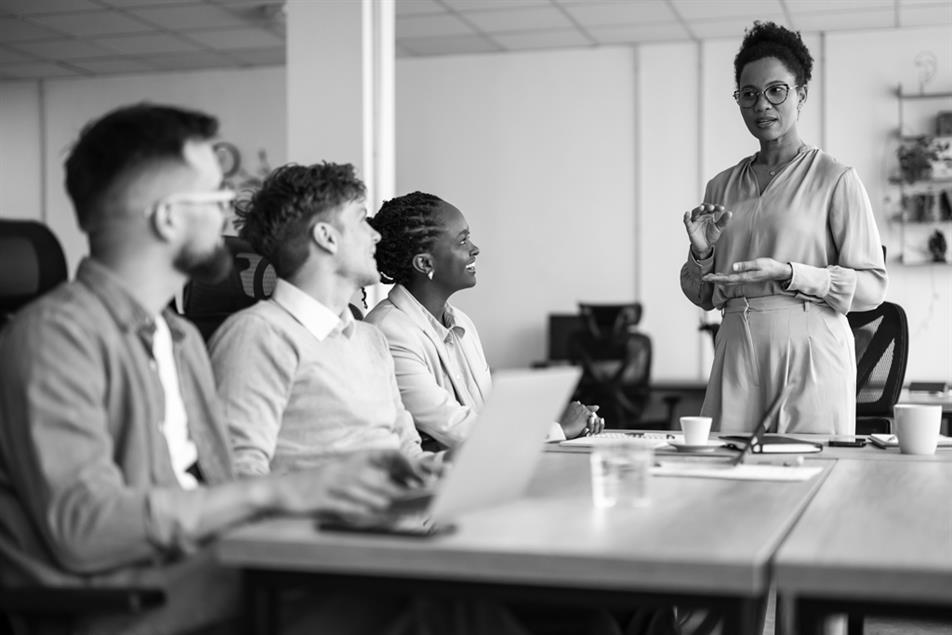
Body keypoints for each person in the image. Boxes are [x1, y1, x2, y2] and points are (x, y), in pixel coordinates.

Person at [0, 104, 425, 635]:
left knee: (447, 589)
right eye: (215, 196)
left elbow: (219, 489)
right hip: (137, 603)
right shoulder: (57, 336)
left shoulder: (177, 339)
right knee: (429, 597)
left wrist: (334, 500)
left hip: (216, 574)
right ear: (169, 216)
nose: (228, 215)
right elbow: (86, 529)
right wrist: (280, 494)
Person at [680, 21, 888, 435]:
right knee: (727, 481)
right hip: (737, 345)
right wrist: (701, 253)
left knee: (807, 475)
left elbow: (872, 289)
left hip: (810, 348)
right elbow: (703, 296)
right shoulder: (720, 186)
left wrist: (792, 273)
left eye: (776, 91)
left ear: (801, 95)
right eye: (749, 94)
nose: (762, 105)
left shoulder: (835, 178)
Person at [208, 164, 433, 476]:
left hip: (406, 515)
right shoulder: (259, 334)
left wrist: (447, 468)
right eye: (360, 219)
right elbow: (240, 474)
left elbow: (407, 448)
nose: (375, 234)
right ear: (327, 237)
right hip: (331, 522)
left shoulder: (370, 339)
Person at [365, 191, 604, 449]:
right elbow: (455, 428)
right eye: (462, 240)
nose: (474, 248)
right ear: (424, 263)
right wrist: (558, 429)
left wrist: (553, 421)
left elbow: (487, 419)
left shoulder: (462, 323)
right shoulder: (387, 332)